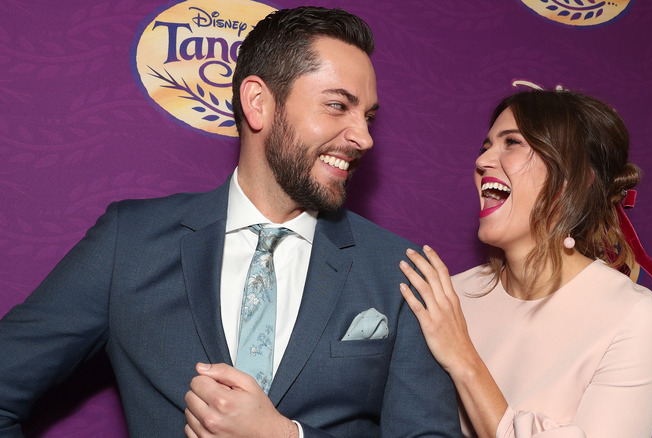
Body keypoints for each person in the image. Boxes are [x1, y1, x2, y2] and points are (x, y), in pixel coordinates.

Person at [0, 7, 460, 437]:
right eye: (338, 106)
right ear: (258, 102)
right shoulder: (131, 243)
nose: (363, 137)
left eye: (369, 116)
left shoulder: (399, 270)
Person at [399, 89, 652, 437]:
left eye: (511, 143)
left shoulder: (635, 317)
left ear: (572, 182)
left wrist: (463, 358)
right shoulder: (448, 297)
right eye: (485, 147)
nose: (482, 162)